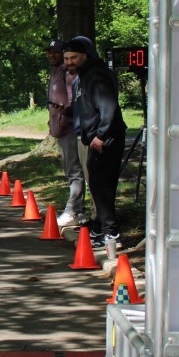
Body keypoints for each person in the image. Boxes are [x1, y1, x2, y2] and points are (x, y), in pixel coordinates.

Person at [64, 38, 126, 248]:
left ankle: (111, 233)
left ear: (85, 56)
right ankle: (99, 227)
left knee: (102, 186)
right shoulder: (84, 76)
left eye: (73, 58)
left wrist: (101, 135)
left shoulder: (96, 75)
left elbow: (109, 107)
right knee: (97, 185)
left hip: (106, 139)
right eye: (66, 59)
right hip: (94, 138)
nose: (69, 62)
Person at [46, 38, 86, 227]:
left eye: (55, 52)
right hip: (61, 129)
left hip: (70, 128)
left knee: (74, 170)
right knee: (70, 169)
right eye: (49, 52)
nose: (51, 55)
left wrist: (65, 115)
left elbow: (73, 99)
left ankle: (74, 211)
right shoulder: (55, 71)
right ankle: (78, 210)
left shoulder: (67, 73)